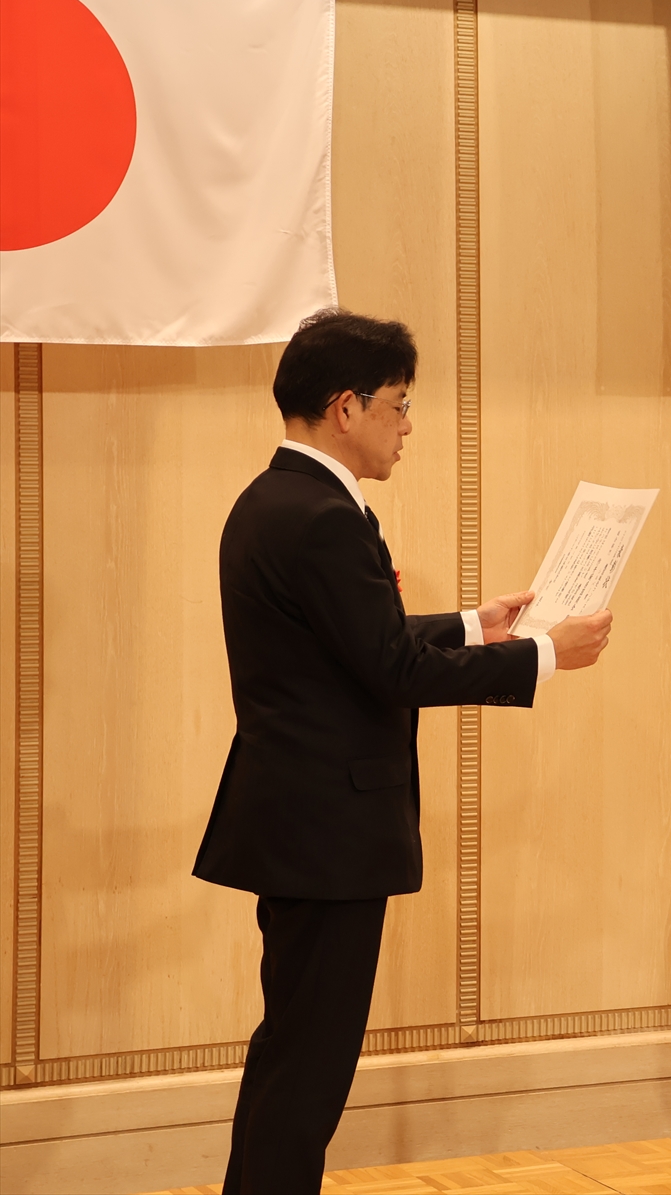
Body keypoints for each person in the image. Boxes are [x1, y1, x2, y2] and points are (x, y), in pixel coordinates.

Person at [193, 310, 614, 1192]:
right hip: (327, 832)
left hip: (298, 823)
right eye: (400, 403)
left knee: (293, 1055)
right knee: (308, 1068)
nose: (408, 425)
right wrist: (544, 653)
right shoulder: (321, 516)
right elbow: (390, 669)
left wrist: (472, 623)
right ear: (346, 407)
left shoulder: (273, 499)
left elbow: (351, 642)